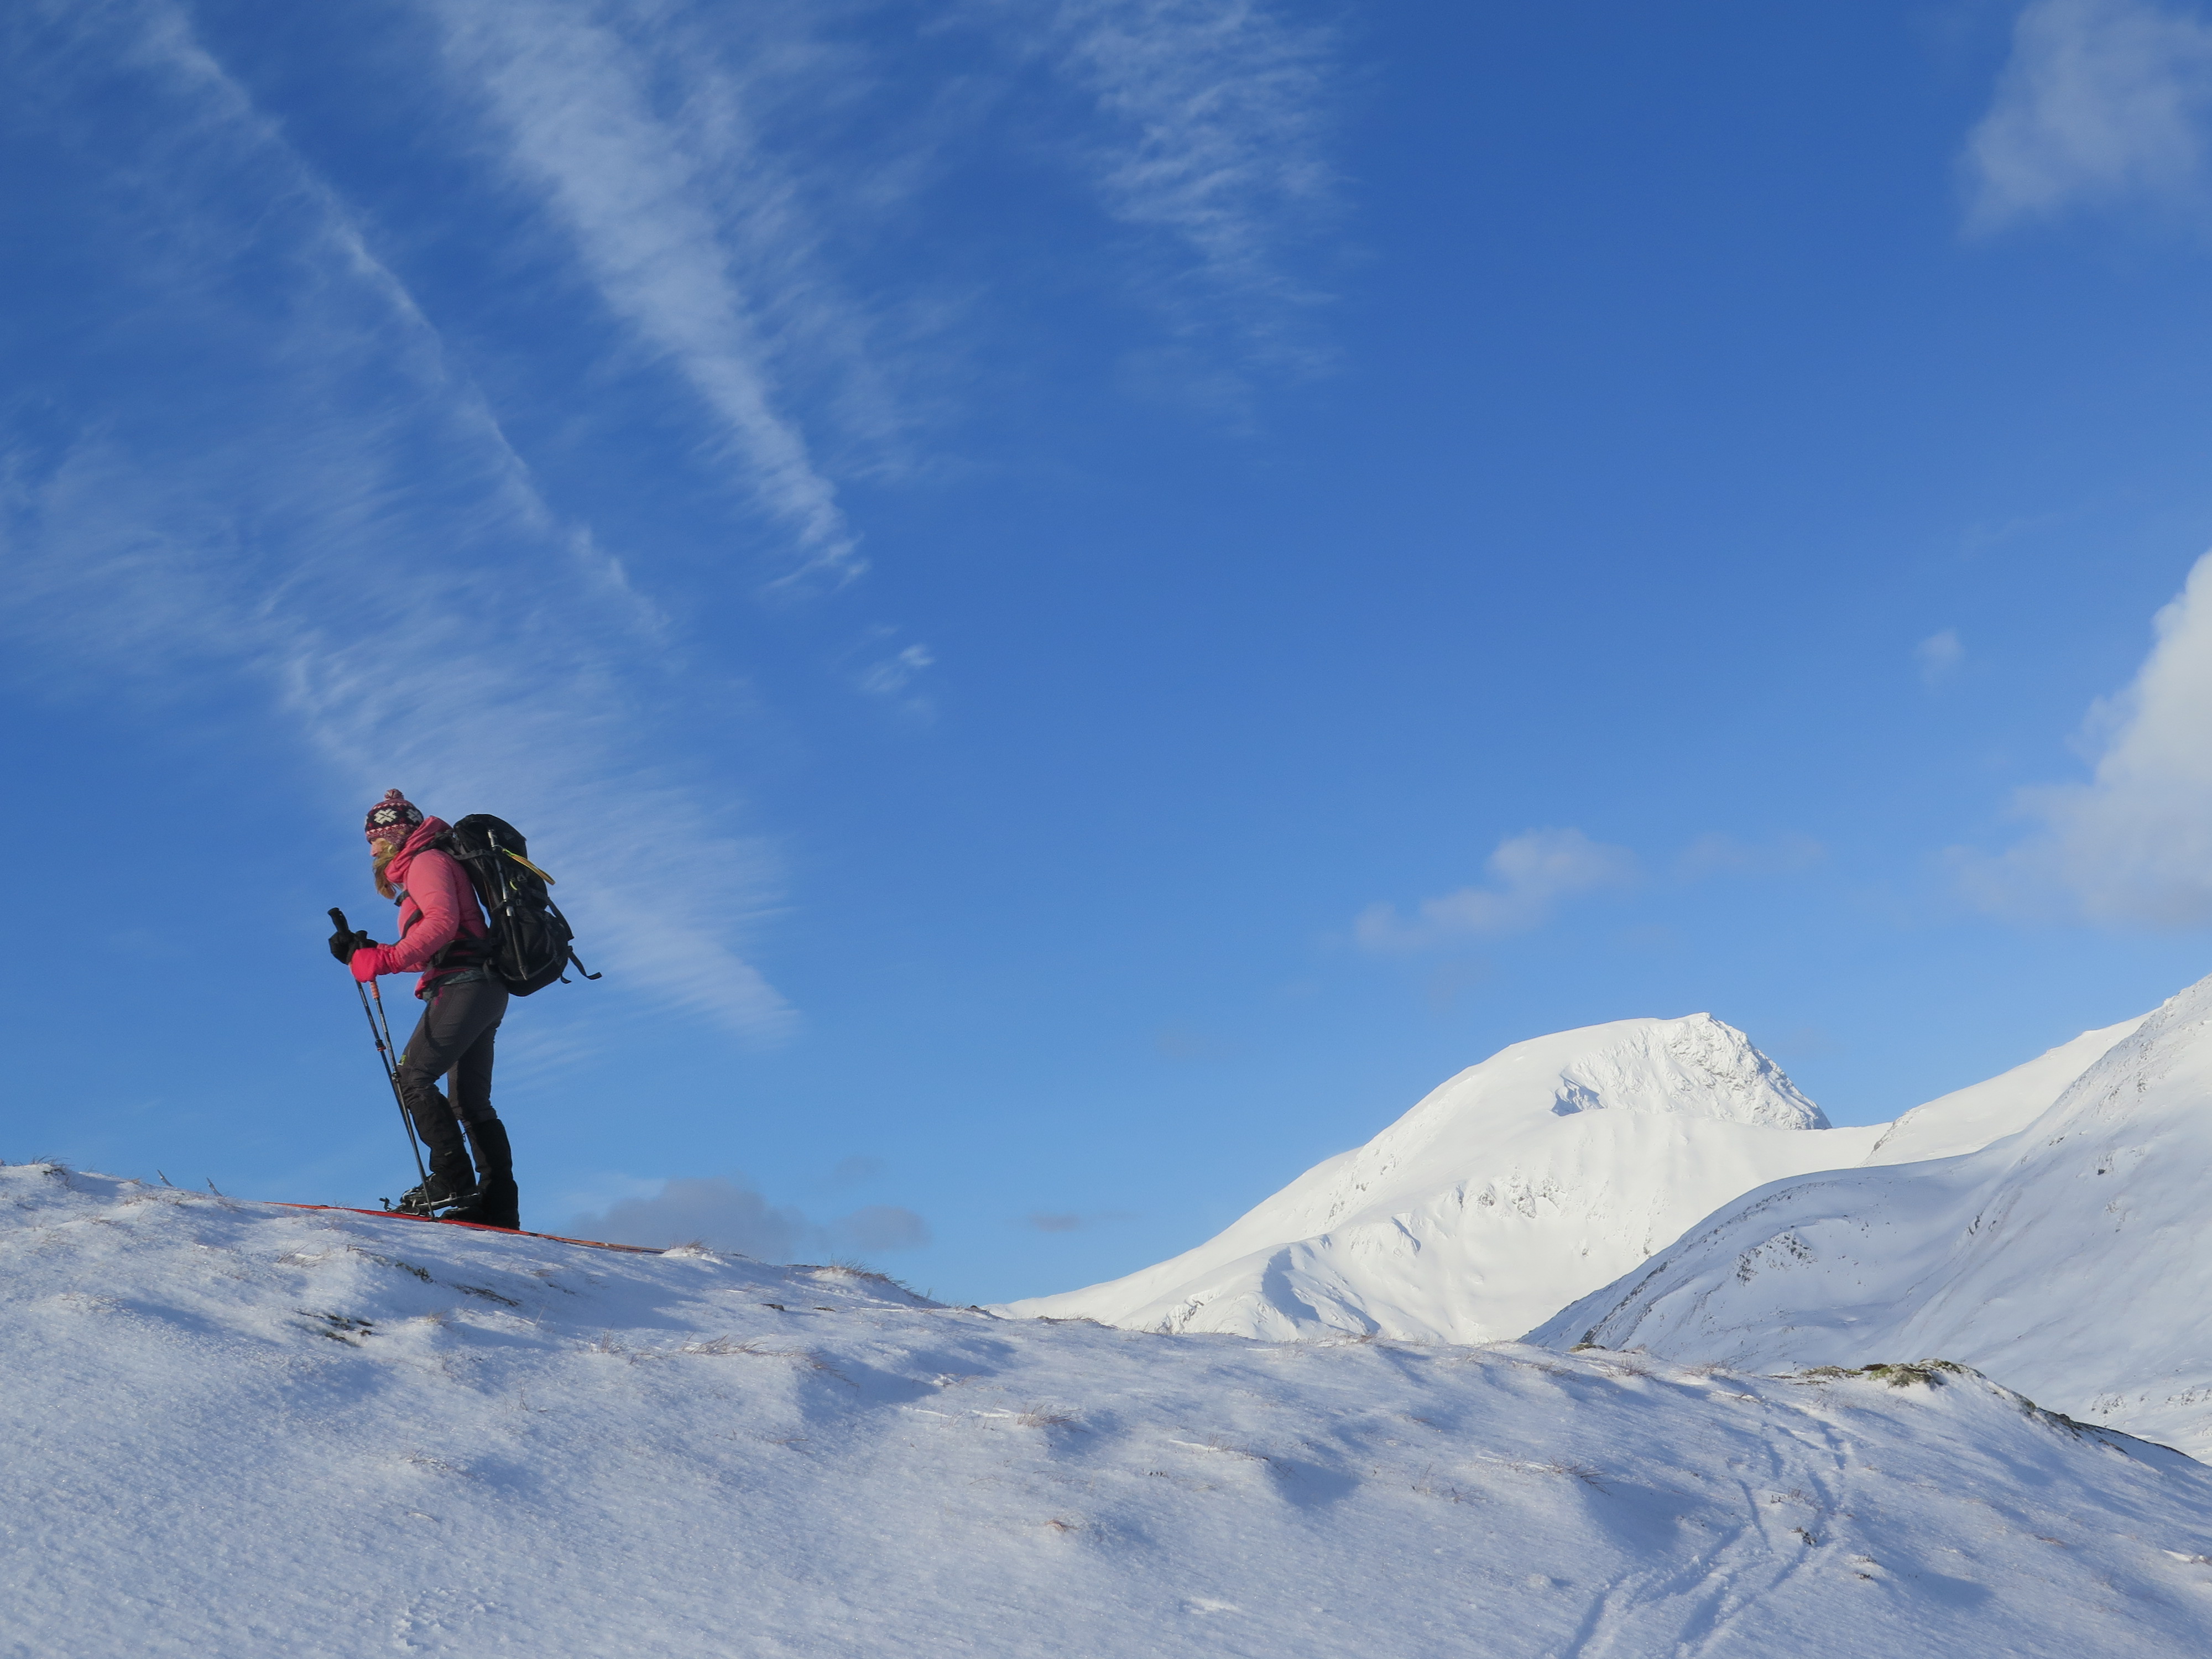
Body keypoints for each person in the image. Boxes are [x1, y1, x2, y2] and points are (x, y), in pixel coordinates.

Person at [330, 789, 520, 1229]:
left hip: (465, 986)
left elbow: (440, 924)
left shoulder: (427, 861)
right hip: (481, 986)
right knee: (471, 1104)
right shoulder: (429, 862)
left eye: (376, 839)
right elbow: (436, 944)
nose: (373, 849)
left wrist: (385, 959)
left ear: (398, 836)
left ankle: (451, 1181)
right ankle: (496, 1208)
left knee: (413, 1076)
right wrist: (370, 951)